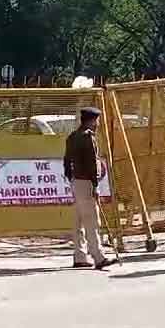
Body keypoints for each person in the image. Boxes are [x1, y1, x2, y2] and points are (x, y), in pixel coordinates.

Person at [63, 107, 116, 270]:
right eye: (97, 120)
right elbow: (93, 163)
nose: (98, 123)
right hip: (86, 182)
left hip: (75, 182)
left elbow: (66, 160)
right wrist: (95, 185)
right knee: (92, 221)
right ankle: (98, 257)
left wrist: (71, 178)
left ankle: (79, 256)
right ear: (92, 121)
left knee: (78, 220)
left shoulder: (72, 136)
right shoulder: (88, 137)